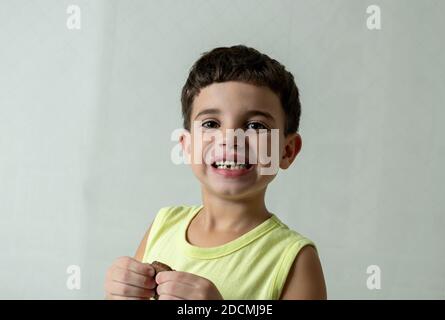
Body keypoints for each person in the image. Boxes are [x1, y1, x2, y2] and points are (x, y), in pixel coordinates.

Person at [104, 45, 326, 300]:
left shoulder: (295, 260)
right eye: (211, 124)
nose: (230, 139)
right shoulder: (163, 225)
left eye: (255, 125)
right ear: (187, 146)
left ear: (287, 151)